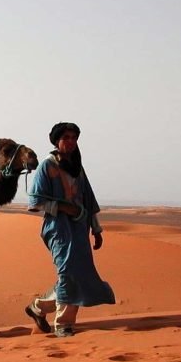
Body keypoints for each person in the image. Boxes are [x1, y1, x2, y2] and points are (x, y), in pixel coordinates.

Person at [24, 122, 114, 337]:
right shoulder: (48, 165)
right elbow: (35, 201)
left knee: (79, 274)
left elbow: (88, 199)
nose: (71, 141)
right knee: (67, 273)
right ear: (57, 141)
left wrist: (96, 228)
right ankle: (63, 324)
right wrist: (65, 207)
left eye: (74, 137)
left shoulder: (77, 167)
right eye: (66, 137)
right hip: (58, 228)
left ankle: (39, 307)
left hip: (79, 228)